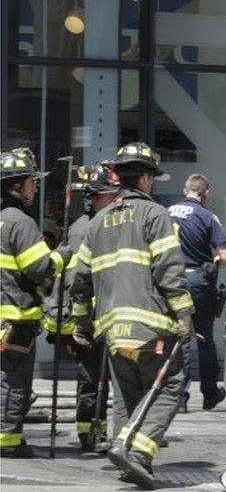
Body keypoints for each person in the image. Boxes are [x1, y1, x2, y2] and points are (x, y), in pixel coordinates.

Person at [69, 142, 193, 488]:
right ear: (145, 178)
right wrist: (183, 314)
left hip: (112, 331)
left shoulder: (98, 223)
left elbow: (78, 281)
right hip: (151, 327)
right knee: (168, 387)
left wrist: (81, 323)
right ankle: (137, 454)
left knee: (127, 395)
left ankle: (125, 456)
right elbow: (169, 269)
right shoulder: (155, 215)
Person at [41, 164, 120, 453]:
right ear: (96, 197)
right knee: (92, 378)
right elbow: (75, 281)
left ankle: (95, 430)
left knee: (99, 378)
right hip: (84, 319)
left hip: (98, 317)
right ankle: (90, 435)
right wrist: (80, 323)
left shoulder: (100, 224)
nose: (116, 200)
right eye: (111, 195)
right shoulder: (84, 230)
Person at [1, 147, 72, 458]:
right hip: (15, 318)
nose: (35, 188)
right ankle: (7, 442)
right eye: (32, 181)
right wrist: (62, 254)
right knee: (14, 383)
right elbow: (38, 269)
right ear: (17, 185)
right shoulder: (20, 222)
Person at [167, 174, 226, 411]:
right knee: (204, 337)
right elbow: (225, 257)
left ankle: (180, 398)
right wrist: (214, 259)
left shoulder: (166, 212)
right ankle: (210, 393)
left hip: (171, 280)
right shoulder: (207, 216)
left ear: (185, 190)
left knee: (179, 338)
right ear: (205, 194)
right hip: (198, 281)